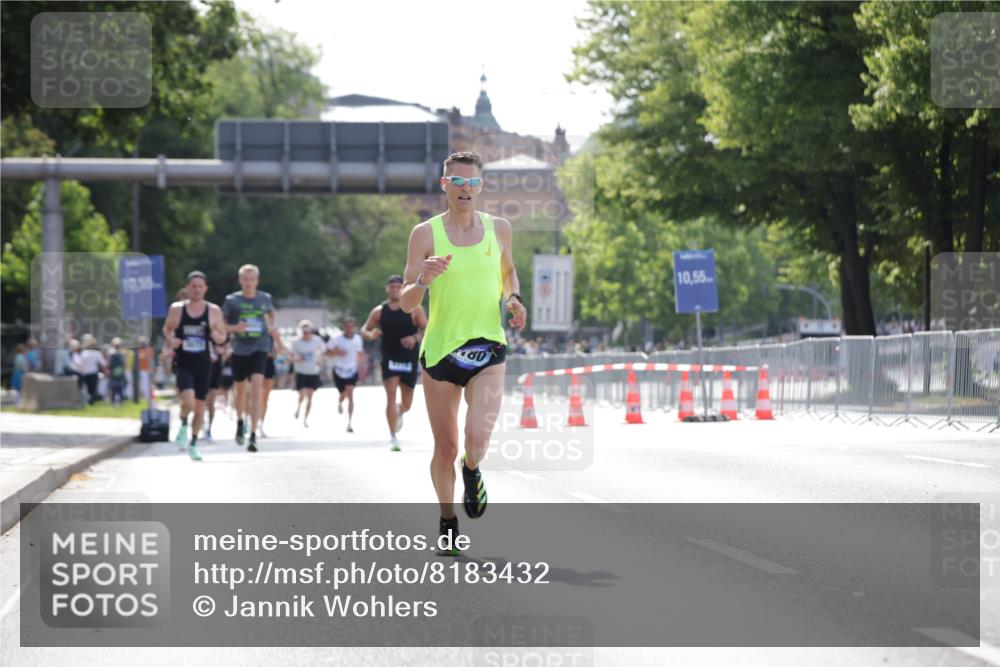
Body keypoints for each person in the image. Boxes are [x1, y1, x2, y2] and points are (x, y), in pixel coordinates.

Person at [399, 151, 527, 555]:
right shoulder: (425, 234)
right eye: (458, 182)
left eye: (473, 183)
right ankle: (448, 520)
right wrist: (423, 278)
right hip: (440, 353)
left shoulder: (499, 229)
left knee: (476, 439)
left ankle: (472, 471)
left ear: (481, 187)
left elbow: (508, 272)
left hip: (488, 345)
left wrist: (514, 300)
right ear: (445, 185)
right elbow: (406, 302)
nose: (466, 189)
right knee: (446, 447)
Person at [162, 271, 228, 461]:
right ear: (187, 288)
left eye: (200, 286)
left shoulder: (213, 311)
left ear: (205, 289)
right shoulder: (177, 309)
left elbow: (222, 336)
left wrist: (218, 338)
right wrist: (171, 338)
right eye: (193, 286)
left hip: (204, 363)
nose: (197, 290)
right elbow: (167, 328)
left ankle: (193, 443)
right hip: (183, 362)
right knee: (188, 401)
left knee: (200, 408)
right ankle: (183, 424)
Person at [362, 275, 428, 451]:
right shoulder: (379, 311)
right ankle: (393, 437)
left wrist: (414, 337)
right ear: (387, 289)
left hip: (409, 359)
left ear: (403, 288)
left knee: (407, 404)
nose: (395, 290)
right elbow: (365, 329)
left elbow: (426, 328)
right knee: (390, 394)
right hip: (389, 357)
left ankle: (400, 412)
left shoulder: (414, 309)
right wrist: (371, 334)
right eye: (392, 287)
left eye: (398, 287)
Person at [222, 264, 280, 452]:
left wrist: (271, 326)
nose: (249, 282)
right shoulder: (232, 300)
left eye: (252, 279)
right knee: (240, 391)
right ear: (241, 280)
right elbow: (222, 325)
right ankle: (240, 422)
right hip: (240, 349)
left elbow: (271, 314)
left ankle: (253, 435)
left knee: (256, 390)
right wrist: (234, 328)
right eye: (245, 279)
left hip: (260, 347)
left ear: (257, 281)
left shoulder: (264, 298)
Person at [326, 317, 365, 432]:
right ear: (344, 328)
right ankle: (340, 401)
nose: (349, 329)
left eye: (351, 327)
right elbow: (327, 352)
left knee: (350, 394)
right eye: (347, 327)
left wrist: (361, 358)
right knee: (343, 394)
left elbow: (360, 353)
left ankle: (349, 422)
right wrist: (337, 352)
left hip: (352, 370)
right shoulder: (336, 339)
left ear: (355, 328)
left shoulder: (358, 339)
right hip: (339, 370)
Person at [289, 320, 325, 427]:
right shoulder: (295, 341)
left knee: (310, 396)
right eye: (304, 331)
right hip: (301, 371)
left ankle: (306, 418)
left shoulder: (317, 340)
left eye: (308, 331)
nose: (306, 334)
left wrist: (320, 361)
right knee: (302, 394)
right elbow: (290, 355)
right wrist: (296, 358)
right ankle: (299, 407)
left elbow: (323, 353)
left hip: (313, 371)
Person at [78, 335, 106, 404]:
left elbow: (80, 364)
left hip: (85, 373)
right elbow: (103, 364)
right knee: (93, 390)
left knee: (86, 389)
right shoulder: (97, 353)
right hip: (93, 373)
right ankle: (91, 402)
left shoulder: (83, 353)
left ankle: (87, 401)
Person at [106, 337, 128, 406]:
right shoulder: (122, 353)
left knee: (113, 388)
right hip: (120, 372)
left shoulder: (110, 353)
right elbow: (124, 364)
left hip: (113, 372)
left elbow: (108, 364)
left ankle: (113, 402)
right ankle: (119, 402)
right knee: (119, 388)